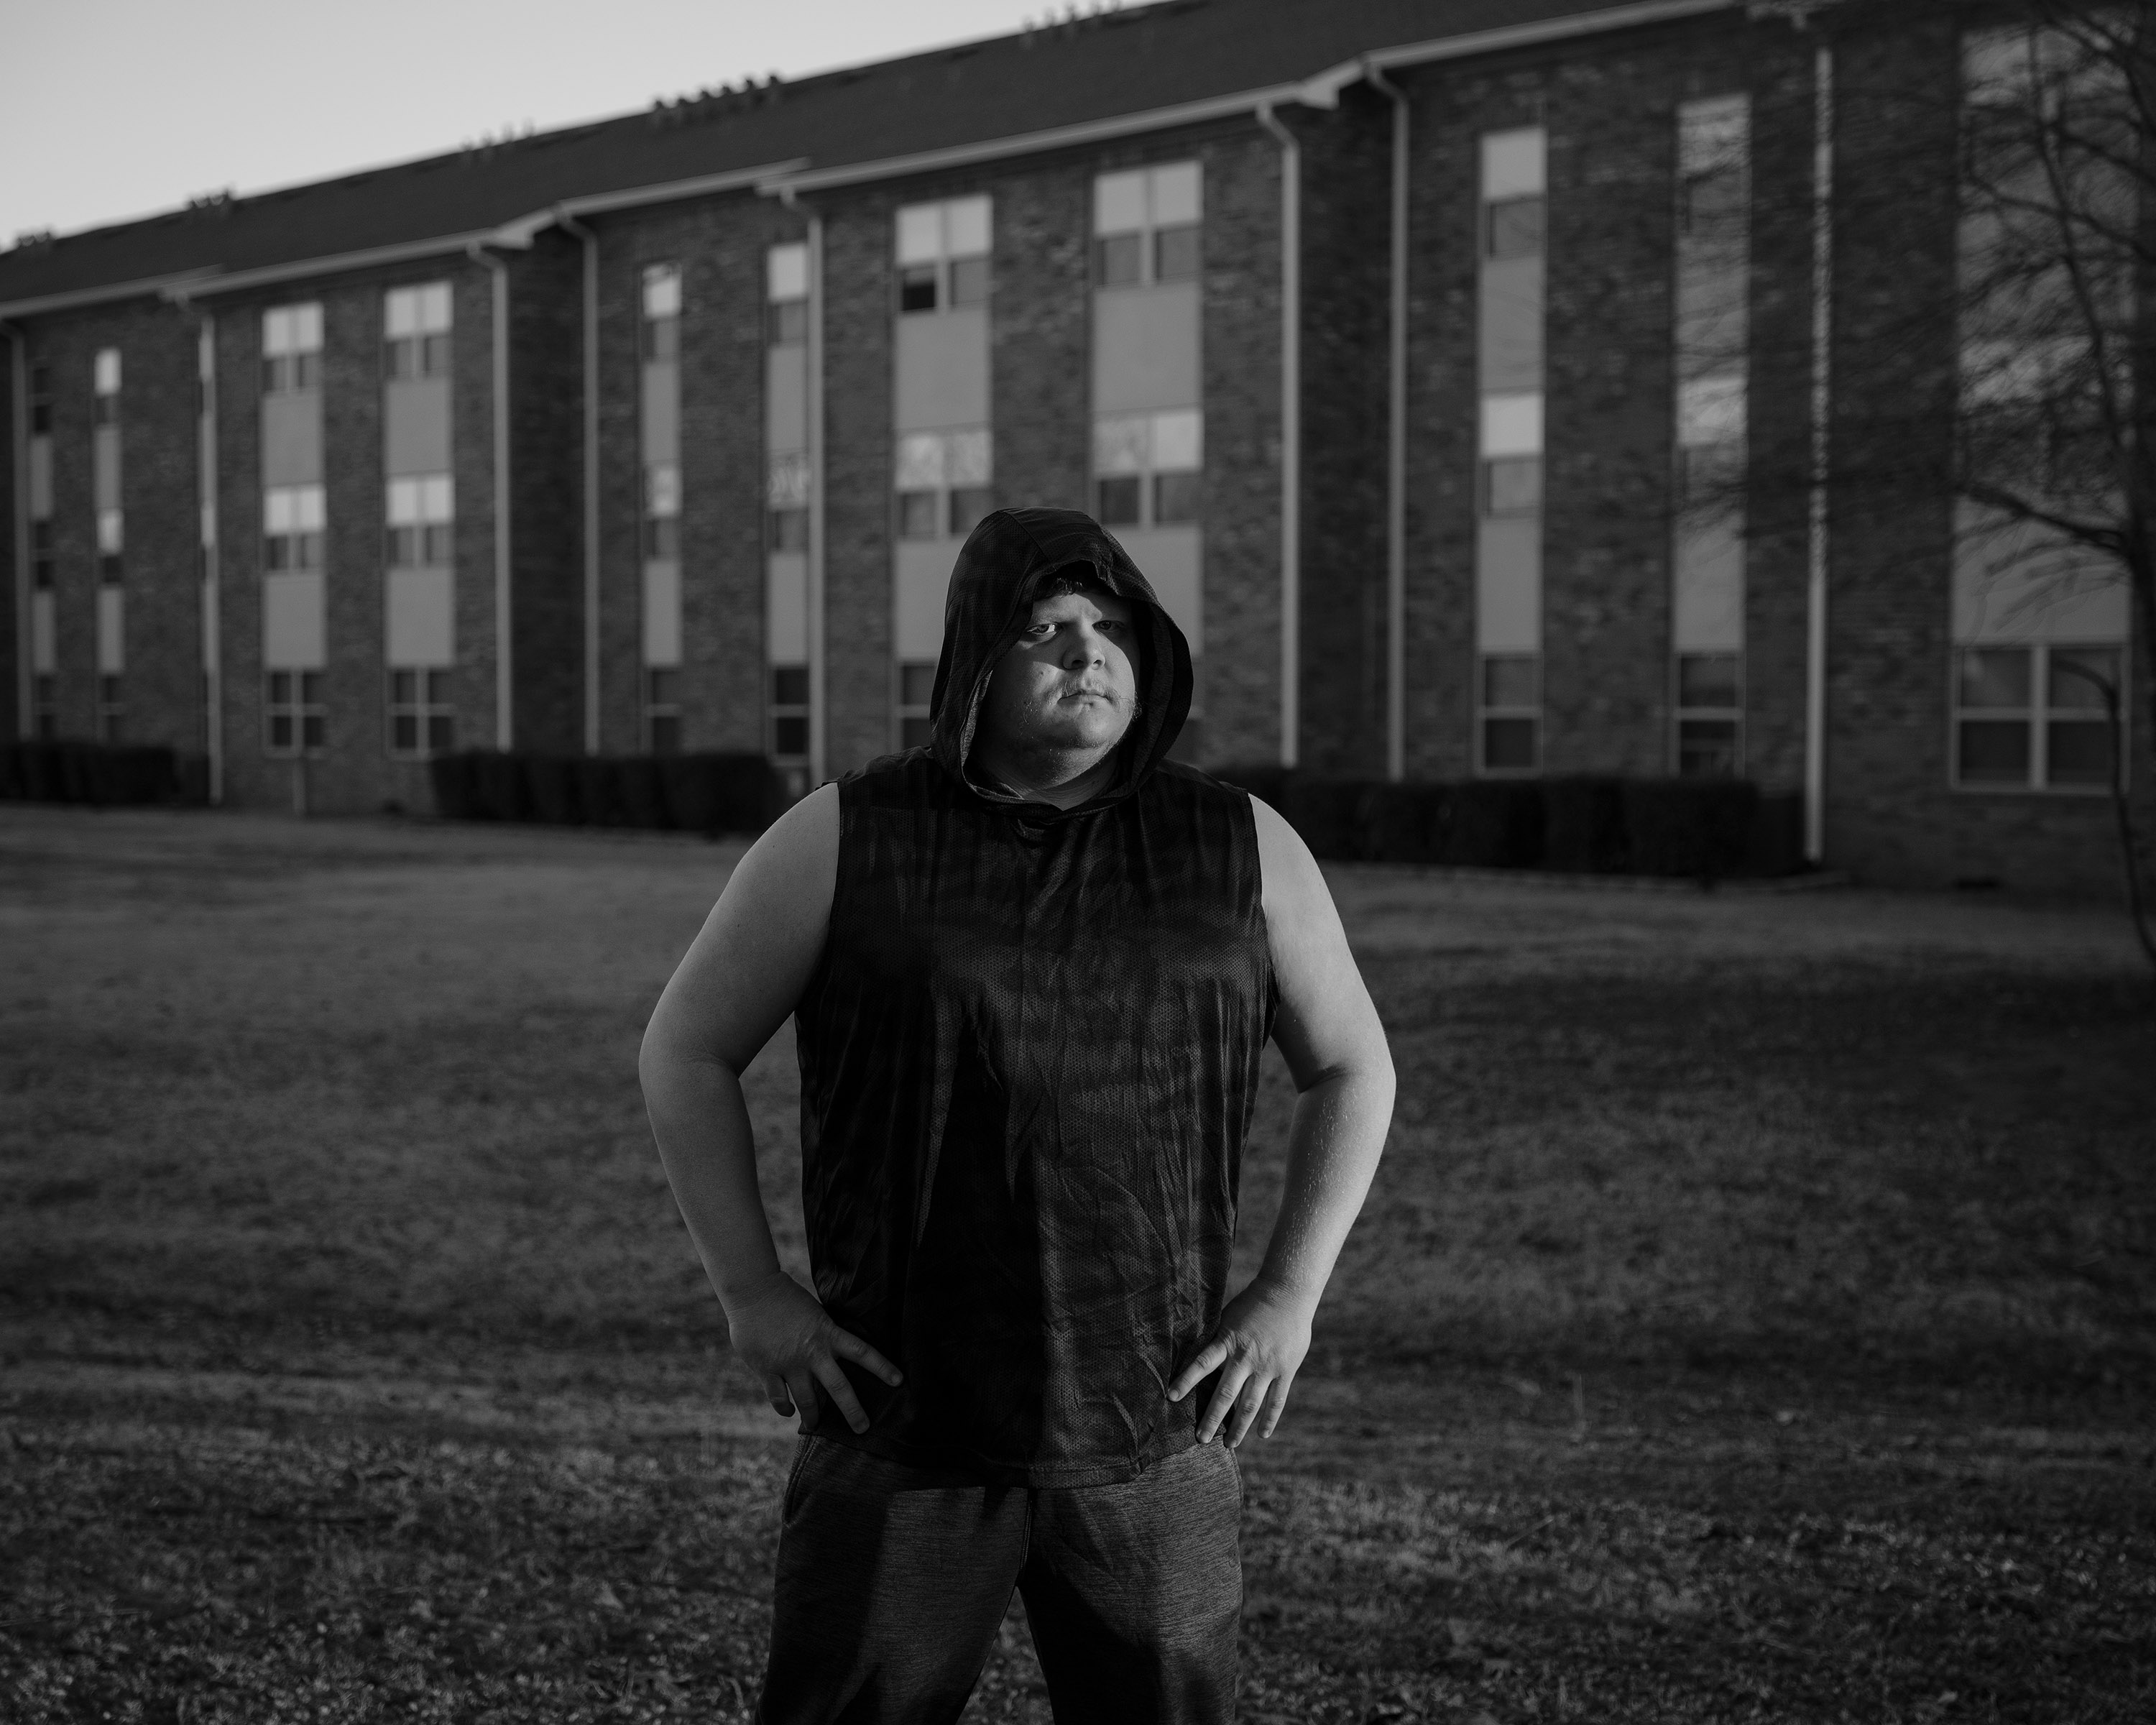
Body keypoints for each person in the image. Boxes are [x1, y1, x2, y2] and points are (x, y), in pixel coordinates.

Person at [640, 507, 1394, 1724]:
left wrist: (1288, 1296)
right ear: (974, 661)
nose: (1087, 652)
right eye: (1045, 629)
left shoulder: (1242, 845)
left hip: (1153, 1425)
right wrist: (753, 1293)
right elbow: (685, 1049)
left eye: (1114, 628)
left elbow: (1355, 1067)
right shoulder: (850, 833)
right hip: (903, 1422)